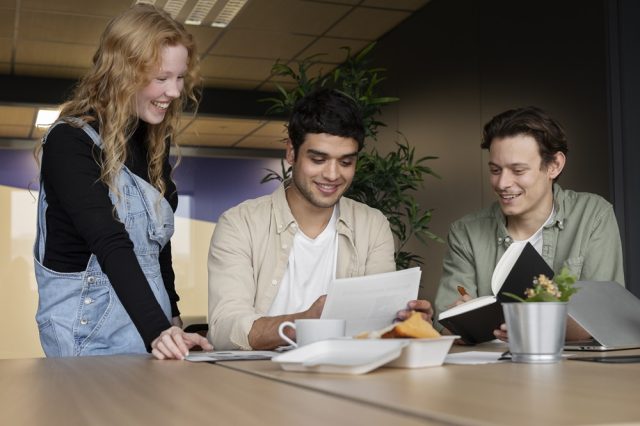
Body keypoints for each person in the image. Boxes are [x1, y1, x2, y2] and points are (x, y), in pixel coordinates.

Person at [34, 4, 212, 360]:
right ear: (122, 74)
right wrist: (158, 331)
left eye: (179, 78)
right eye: (162, 78)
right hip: (89, 333)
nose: (175, 91)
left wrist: (173, 321)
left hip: (149, 328)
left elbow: (157, 248)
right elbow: (110, 242)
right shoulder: (71, 142)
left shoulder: (150, 144)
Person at [207, 88, 433, 350]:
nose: (332, 174)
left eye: (346, 162)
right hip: (258, 381)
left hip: (346, 378)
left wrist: (405, 322)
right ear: (291, 152)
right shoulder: (239, 224)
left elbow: (378, 326)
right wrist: (306, 322)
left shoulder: (372, 226)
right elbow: (225, 329)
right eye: (318, 159)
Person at [434, 106, 625, 342]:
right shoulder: (465, 232)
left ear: (554, 165)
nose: (503, 183)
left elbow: (605, 317)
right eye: (495, 170)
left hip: (575, 371)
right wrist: (460, 321)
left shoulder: (593, 215)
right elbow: (447, 324)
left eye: (518, 170)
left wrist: (530, 326)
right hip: (487, 373)